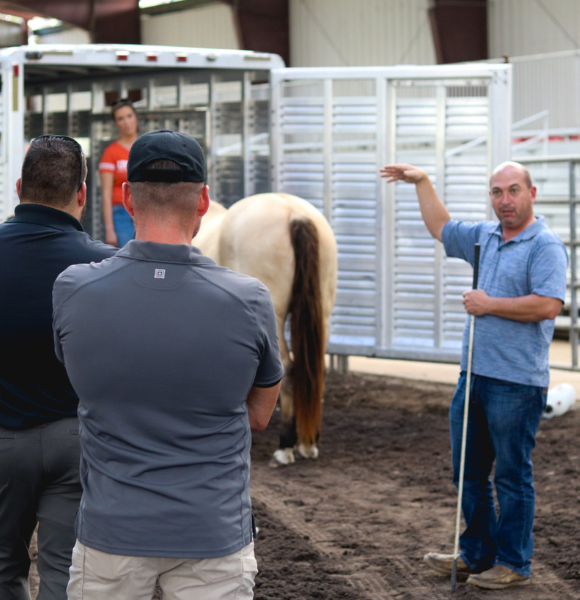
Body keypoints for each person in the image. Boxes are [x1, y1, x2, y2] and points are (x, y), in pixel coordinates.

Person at [53, 130, 284, 600]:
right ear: (203, 200)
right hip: (212, 534)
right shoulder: (248, 299)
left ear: (126, 197)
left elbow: (81, 380)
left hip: (110, 534)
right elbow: (260, 415)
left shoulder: (72, 289)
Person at [380, 161, 567, 590]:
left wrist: (489, 304)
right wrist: (422, 182)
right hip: (474, 377)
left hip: (516, 382)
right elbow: (441, 227)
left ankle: (514, 562)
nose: (505, 200)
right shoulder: (485, 236)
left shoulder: (546, 246)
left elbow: (547, 306)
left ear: (532, 193)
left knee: (511, 476)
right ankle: (477, 553)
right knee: (467, 471)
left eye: (513, 191)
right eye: (497, 192)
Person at [0, 135, 116, 600]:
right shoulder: (107, 267)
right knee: (63, 574)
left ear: (17, 186)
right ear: (83, 193)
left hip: (3, 440)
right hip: (76, 441)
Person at [99, 98, 139, 247]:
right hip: (121, 214)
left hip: (146, 211)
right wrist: (110, 230)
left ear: (136, 117)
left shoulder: (146, 148)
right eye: (120, 119)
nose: (126, 122)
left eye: (129, 116)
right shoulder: (110, 153)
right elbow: (106, 194)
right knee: (127, 257)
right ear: (116, 123)